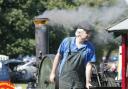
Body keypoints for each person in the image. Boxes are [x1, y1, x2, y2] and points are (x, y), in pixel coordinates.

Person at [49, 22, 96, 89]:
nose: (89, 35)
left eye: (90, 33)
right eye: (87, 33)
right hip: (64, 80)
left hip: (78, 82)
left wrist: (88, 82)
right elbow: (58, 56)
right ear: (79, 33)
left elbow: (88, 66)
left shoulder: (90, 47)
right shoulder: (67, 42)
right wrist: (53, 73)